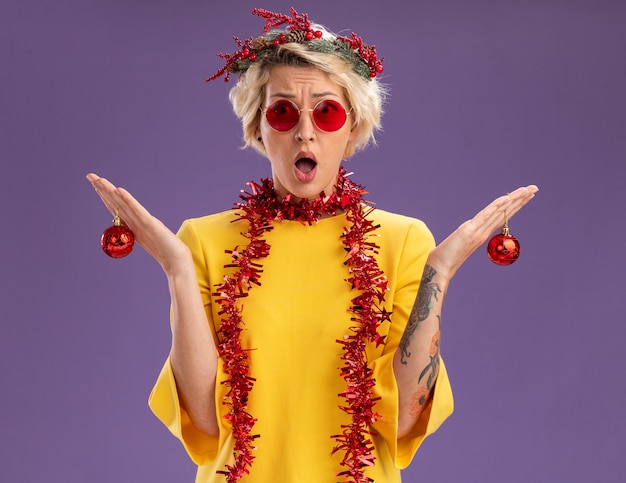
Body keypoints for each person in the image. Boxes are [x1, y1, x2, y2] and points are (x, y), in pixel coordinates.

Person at [86, 8, 537, 483]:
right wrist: (177, 268)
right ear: (259, 128)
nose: (305, 131)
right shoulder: (202, 241)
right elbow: (203, 421)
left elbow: (404, 418)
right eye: (283, 111)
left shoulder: (403, 242)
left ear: (353, 128)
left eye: (326, 111)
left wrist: (438, 273)